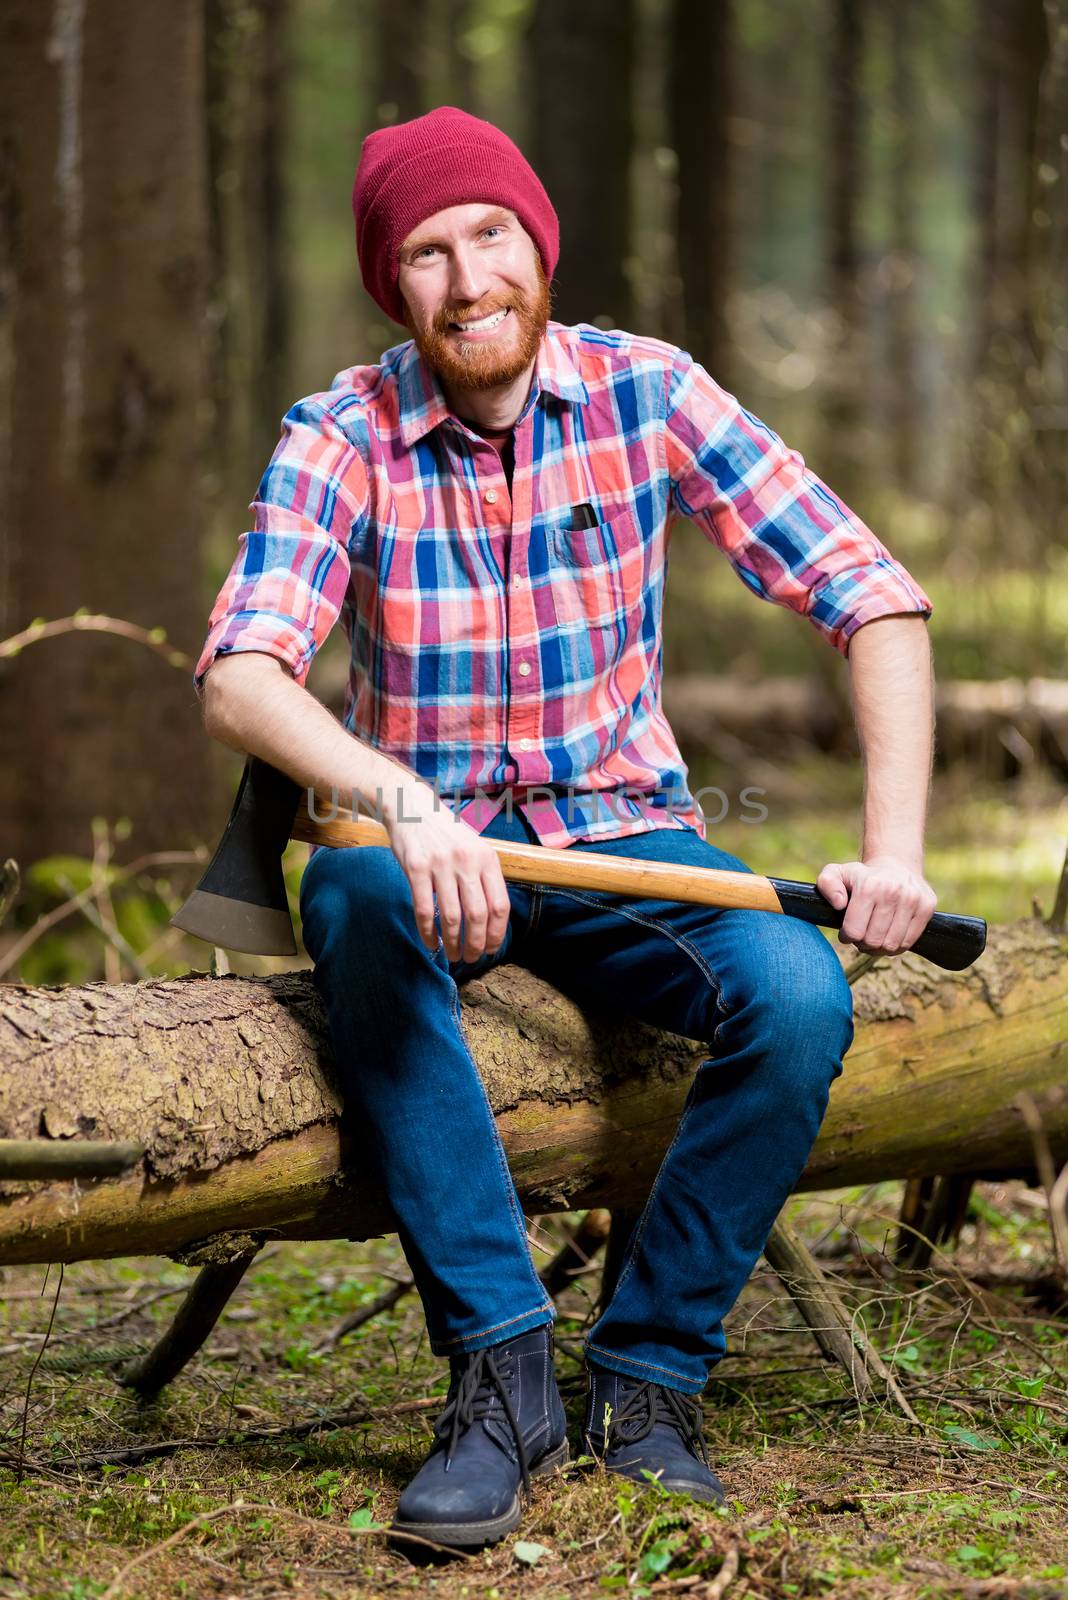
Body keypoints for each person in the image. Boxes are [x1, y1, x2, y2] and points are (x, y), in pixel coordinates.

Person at [195, 106, 936, 1550]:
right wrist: (400, 803)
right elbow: (240, 673)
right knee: (351, 905)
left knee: (793, 994)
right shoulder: (340, 430)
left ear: (539, 246)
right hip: (420, 854)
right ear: (389, 286)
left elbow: (874, 595)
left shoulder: (648, 391)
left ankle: (649, 1375)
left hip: (625, 842)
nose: (466, 278)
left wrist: (895, 851)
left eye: (489, 236)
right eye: (425, 252)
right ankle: (501, 1371)